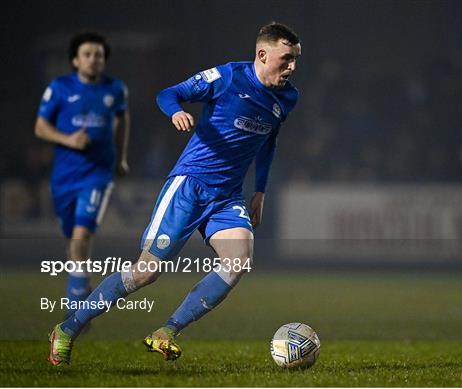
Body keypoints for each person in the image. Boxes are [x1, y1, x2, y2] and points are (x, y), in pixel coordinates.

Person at [47, 22, 301, 366]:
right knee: (145, 273)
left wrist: (259, 190)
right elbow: (168, 93)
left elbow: (269, 141)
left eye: (295, 60)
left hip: (227, 196)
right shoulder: (227, 77)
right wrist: (177, 111)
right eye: (286, 59)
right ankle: (68, 328)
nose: (292, 68)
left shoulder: (288, 97)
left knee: (238, 260)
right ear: (262, 54)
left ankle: (167, 330)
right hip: (189, 186)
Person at [35, 32, 130, 321]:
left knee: (82, 234)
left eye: (98, 55)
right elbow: (40, 127)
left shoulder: (115, 89)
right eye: (88, 54)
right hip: (64, 177)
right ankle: (80, 284)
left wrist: (121, 157)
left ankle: (76, 311)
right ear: (76, 60)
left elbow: (123, 120)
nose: (93, 59)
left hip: (98, 173)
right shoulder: (60, 88)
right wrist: (68, 140)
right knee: (73, 241)